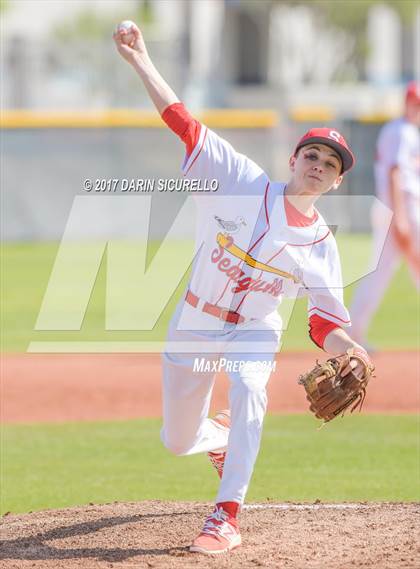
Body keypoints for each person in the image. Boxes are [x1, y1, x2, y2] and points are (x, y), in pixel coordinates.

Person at [113, 22, 373, 555]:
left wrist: (354, 349)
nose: (319, 167)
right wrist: (141, 60)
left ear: (338, 182)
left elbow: (324, 322)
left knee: (252, 391)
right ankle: (220, 439)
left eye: (331, 165)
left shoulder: (321, 243)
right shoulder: (240, 181)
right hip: (194, 321)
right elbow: (183, 123)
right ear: (293, 160)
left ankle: (226, 515)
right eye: (313, 156)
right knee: (178, 440)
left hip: (254, 330)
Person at [350, 82, 420, 347]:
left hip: (396, 209)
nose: (418, 109)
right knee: (380, 273)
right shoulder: (402, 131)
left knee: (381, 273)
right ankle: (353, 332)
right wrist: (400, 219)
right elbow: (395, 173)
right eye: (416, 104)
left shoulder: (404, 131)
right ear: (407, 103)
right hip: (401, 211)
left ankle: (354, 332)